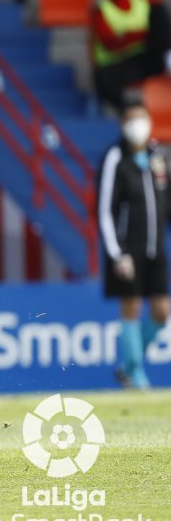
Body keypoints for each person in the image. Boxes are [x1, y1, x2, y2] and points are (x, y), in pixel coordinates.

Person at [97, 99, 169, 389]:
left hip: (156, 249)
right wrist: (118, 254)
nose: (137, 125)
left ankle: (127, 365)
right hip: (128, 250)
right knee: (131, 307)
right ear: (122, 124)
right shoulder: (115, 157)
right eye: (131, 119)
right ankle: (136, 375)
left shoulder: (158, 157)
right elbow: (105, 210)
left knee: (162, 311)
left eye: (141, 118)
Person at [90, 0, 171, 114]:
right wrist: (142, 35)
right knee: (102, 79)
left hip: (146, 59)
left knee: (159, 11)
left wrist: (130, 35)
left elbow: (158, 35)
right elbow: (110, 43)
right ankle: (131, 114)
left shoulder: (144, 4)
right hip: (117, 63)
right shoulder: (102, 10)